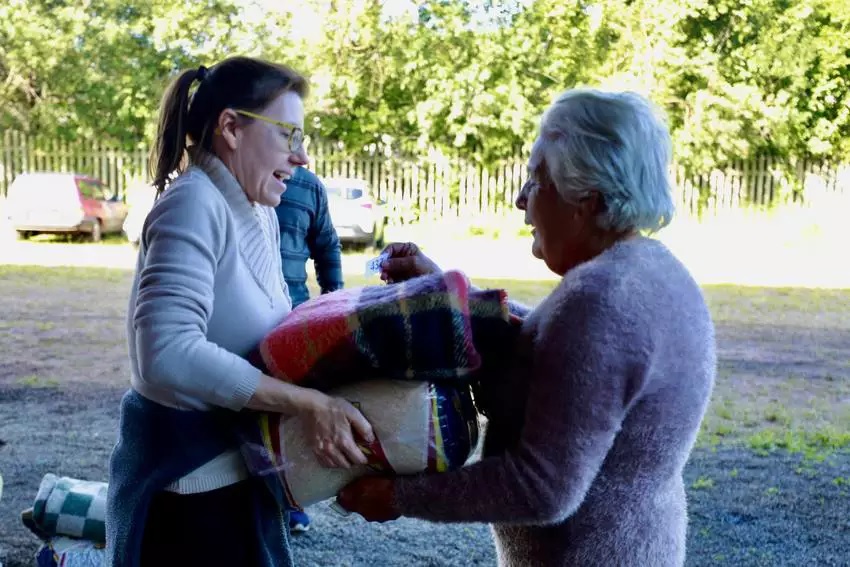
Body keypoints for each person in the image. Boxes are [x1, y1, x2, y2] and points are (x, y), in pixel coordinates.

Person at [338, 88, 717, 567]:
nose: (520, 200)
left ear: (586, 200)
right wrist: (445, 290)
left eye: (537, 182)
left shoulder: (602, 303)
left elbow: (541, 489)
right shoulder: (644, 272)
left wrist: (397, 497)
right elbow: (551, 349)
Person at [105, 57, 374, 567]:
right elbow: (166, 353)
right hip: (187, 496)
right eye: (289, 135)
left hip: (237, 478)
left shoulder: (256, 211)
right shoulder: (192, 205)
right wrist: (305, 404)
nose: (302, 156)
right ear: (231, 127)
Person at [275, 165, 344, 531]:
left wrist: (334, 304)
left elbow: (326, 244)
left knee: (294, 416)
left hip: (293, 319)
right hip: (243, 319)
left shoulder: (307, 185)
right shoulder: (235, 178)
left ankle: (292, 500)